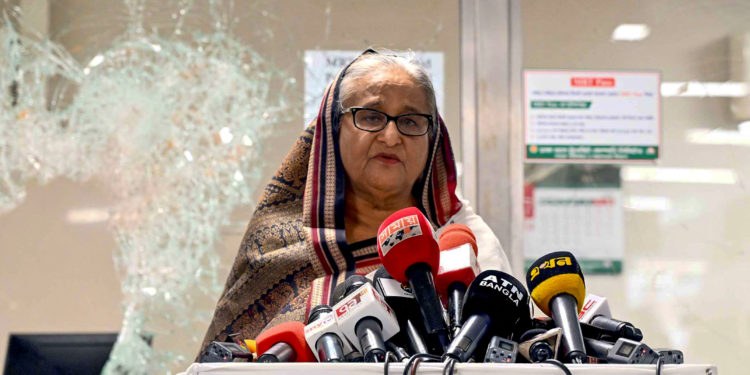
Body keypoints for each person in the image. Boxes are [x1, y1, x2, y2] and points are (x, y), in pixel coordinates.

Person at [197, 49, 511, 356]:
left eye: (411, 121)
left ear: (433, 138)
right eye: (372, 117)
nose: (391, 136)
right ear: (335, 128)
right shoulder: (276, 246)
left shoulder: (465, 242)